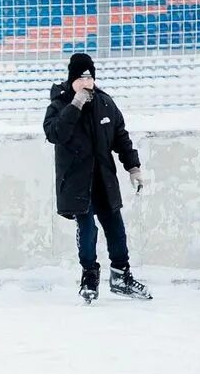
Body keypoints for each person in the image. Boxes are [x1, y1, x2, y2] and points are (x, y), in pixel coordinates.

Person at [43, 53, 152, 303]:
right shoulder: (60, 105)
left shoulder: (105, 103)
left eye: (90, 76)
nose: (87, 81)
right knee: (88, 229)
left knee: (116, 228)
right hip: (77, 182)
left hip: (104, 179)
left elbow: (120, 137)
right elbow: (55, 134)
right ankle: (89, 277)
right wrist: (75, 105)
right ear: (72, 79)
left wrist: (133, 167)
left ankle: (121, 276)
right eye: (81, 77)